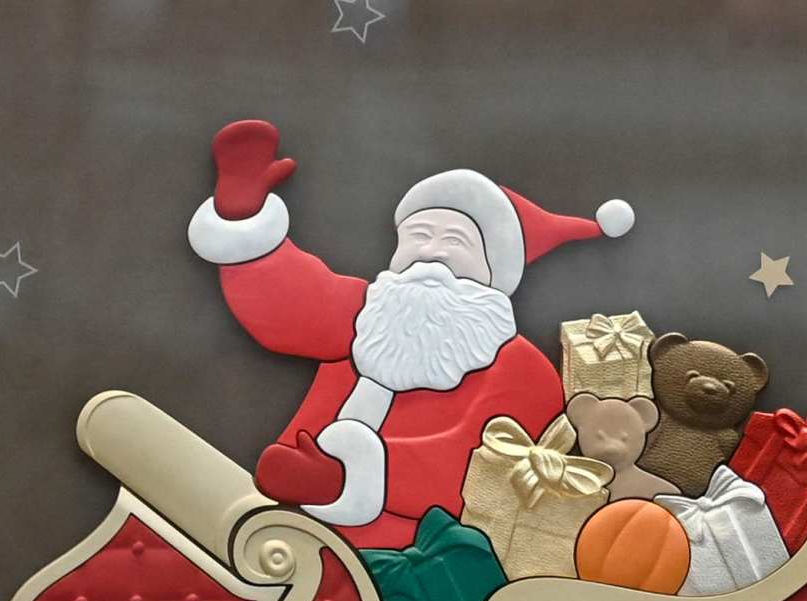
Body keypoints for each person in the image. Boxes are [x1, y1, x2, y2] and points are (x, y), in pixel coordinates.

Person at [187, 121, 633, 537]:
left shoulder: (519, 367)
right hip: (288, 530)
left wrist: (347, 475)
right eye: (418, 235)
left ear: (494, 268)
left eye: (455, 241)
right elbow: (288, 301)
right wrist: (242, 212)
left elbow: (488, 463)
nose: (431, 252)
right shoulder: (369, 313)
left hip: (418, 549)